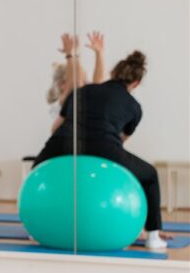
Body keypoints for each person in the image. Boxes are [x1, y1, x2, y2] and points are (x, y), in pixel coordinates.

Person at [34, 50, 167, 250]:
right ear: (136, 83)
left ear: (112, 73)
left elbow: (58, 125)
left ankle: (35, 226)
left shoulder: (83, 91)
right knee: (149, 174)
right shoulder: (134, 107)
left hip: (63, 142)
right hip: (104, 146)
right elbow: (120, 141)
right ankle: (153, 236)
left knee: (37, 170)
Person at [47, 31, 106, 130]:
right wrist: (71, 55)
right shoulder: (59, 104)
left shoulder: (84, 96)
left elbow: (98, 86)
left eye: (85, 80)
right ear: (62, 84)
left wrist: (99, 53)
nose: (86, 83)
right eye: (84, 80)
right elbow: (75, 85)